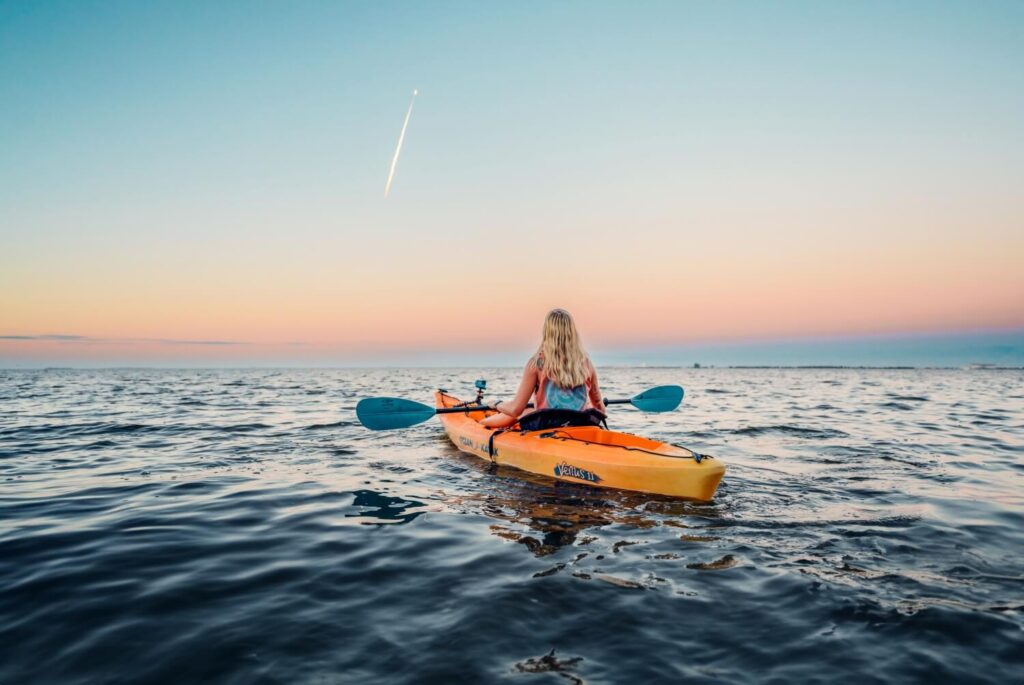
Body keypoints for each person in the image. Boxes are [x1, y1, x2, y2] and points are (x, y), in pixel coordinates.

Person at [481, 309, 605, 429]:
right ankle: (483, 422)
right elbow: (599, 407)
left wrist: (496, 404)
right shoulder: (587, 364)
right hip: (579, 424)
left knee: (524, 411)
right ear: (572, 332)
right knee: (528, 409)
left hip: (547, 425)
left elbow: (515, 410)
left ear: (547, 332)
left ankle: (481, 423)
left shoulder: (537, 364)